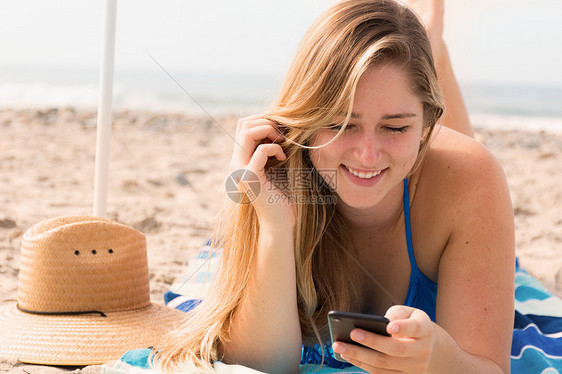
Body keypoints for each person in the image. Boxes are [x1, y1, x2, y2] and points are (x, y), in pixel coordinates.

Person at [153, 0, 515, 373]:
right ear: (309, 119)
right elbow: (260, 364)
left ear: (426, 126)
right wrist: (277, 227)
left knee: (456, 163)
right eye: (342, 124)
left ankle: (433, 46)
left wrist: (438, 355)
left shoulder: (473, 176)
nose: (368, 155)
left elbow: (490, 367)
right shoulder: (281, 166)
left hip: (449, 186)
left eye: (395, 127)